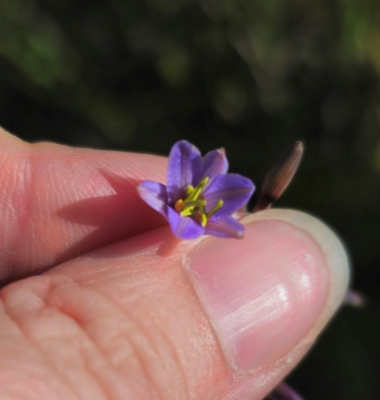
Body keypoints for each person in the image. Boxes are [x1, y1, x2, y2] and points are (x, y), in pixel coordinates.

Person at [0, 128, 349, 400]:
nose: (190, 203)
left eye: (194, 204)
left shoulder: (206, 216)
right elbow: (153, 191)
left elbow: (218, 209)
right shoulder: (175, 204)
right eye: (188, 201)